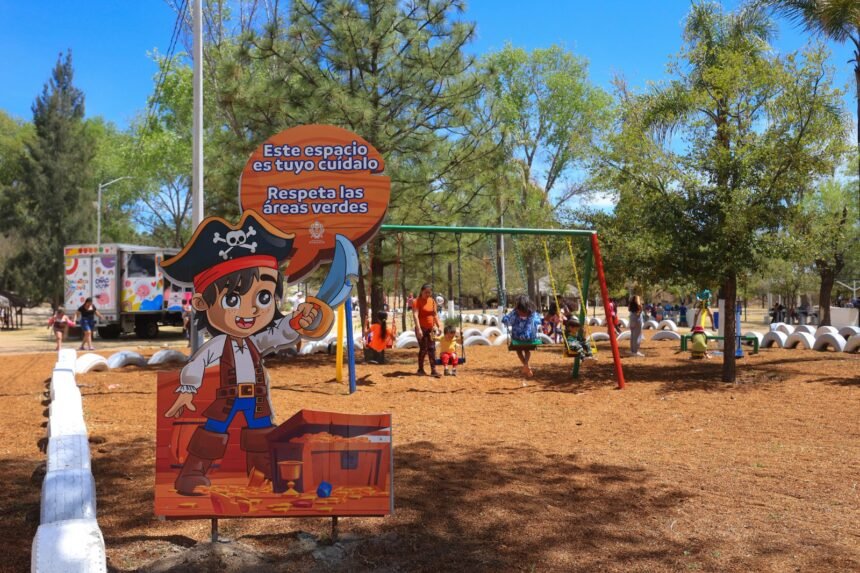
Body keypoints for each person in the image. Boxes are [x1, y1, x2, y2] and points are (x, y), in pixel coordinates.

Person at [159, 211, 341, 495]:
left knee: (262, 435)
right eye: (232, 299)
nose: (252, 309)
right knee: (212, 434)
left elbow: (278, 333)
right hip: (228, 398)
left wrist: (296, 322)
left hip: (256, 398)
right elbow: (198, 362)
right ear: (202, 303)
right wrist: (187, 388)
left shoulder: (257, 341)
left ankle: (263, 475)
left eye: (263, 296)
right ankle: (192, 473)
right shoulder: (219, 344)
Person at [502, 295, 543, 378]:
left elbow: (508, 321)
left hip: (524, 337)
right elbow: (538, 320)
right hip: (524, 337)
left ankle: (526, 365)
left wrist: (505, 319)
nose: (521, 312)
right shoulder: (521, 312)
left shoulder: (526, 313)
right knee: (523, 349)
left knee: (523, 350)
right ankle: (526, 365)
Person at [412, 284, 442, 377]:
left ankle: (434, 370)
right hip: (421, 328)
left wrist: (439, 326)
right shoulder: (416, 301)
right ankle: (420, 369)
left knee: (432, 348)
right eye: (426, 292)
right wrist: (419, 329)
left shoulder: (432, 301)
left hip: (431, 329)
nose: (428, 294)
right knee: (424, 348)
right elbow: (415, 315)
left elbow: (435, 315)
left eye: (429, 292)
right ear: (422, 291)